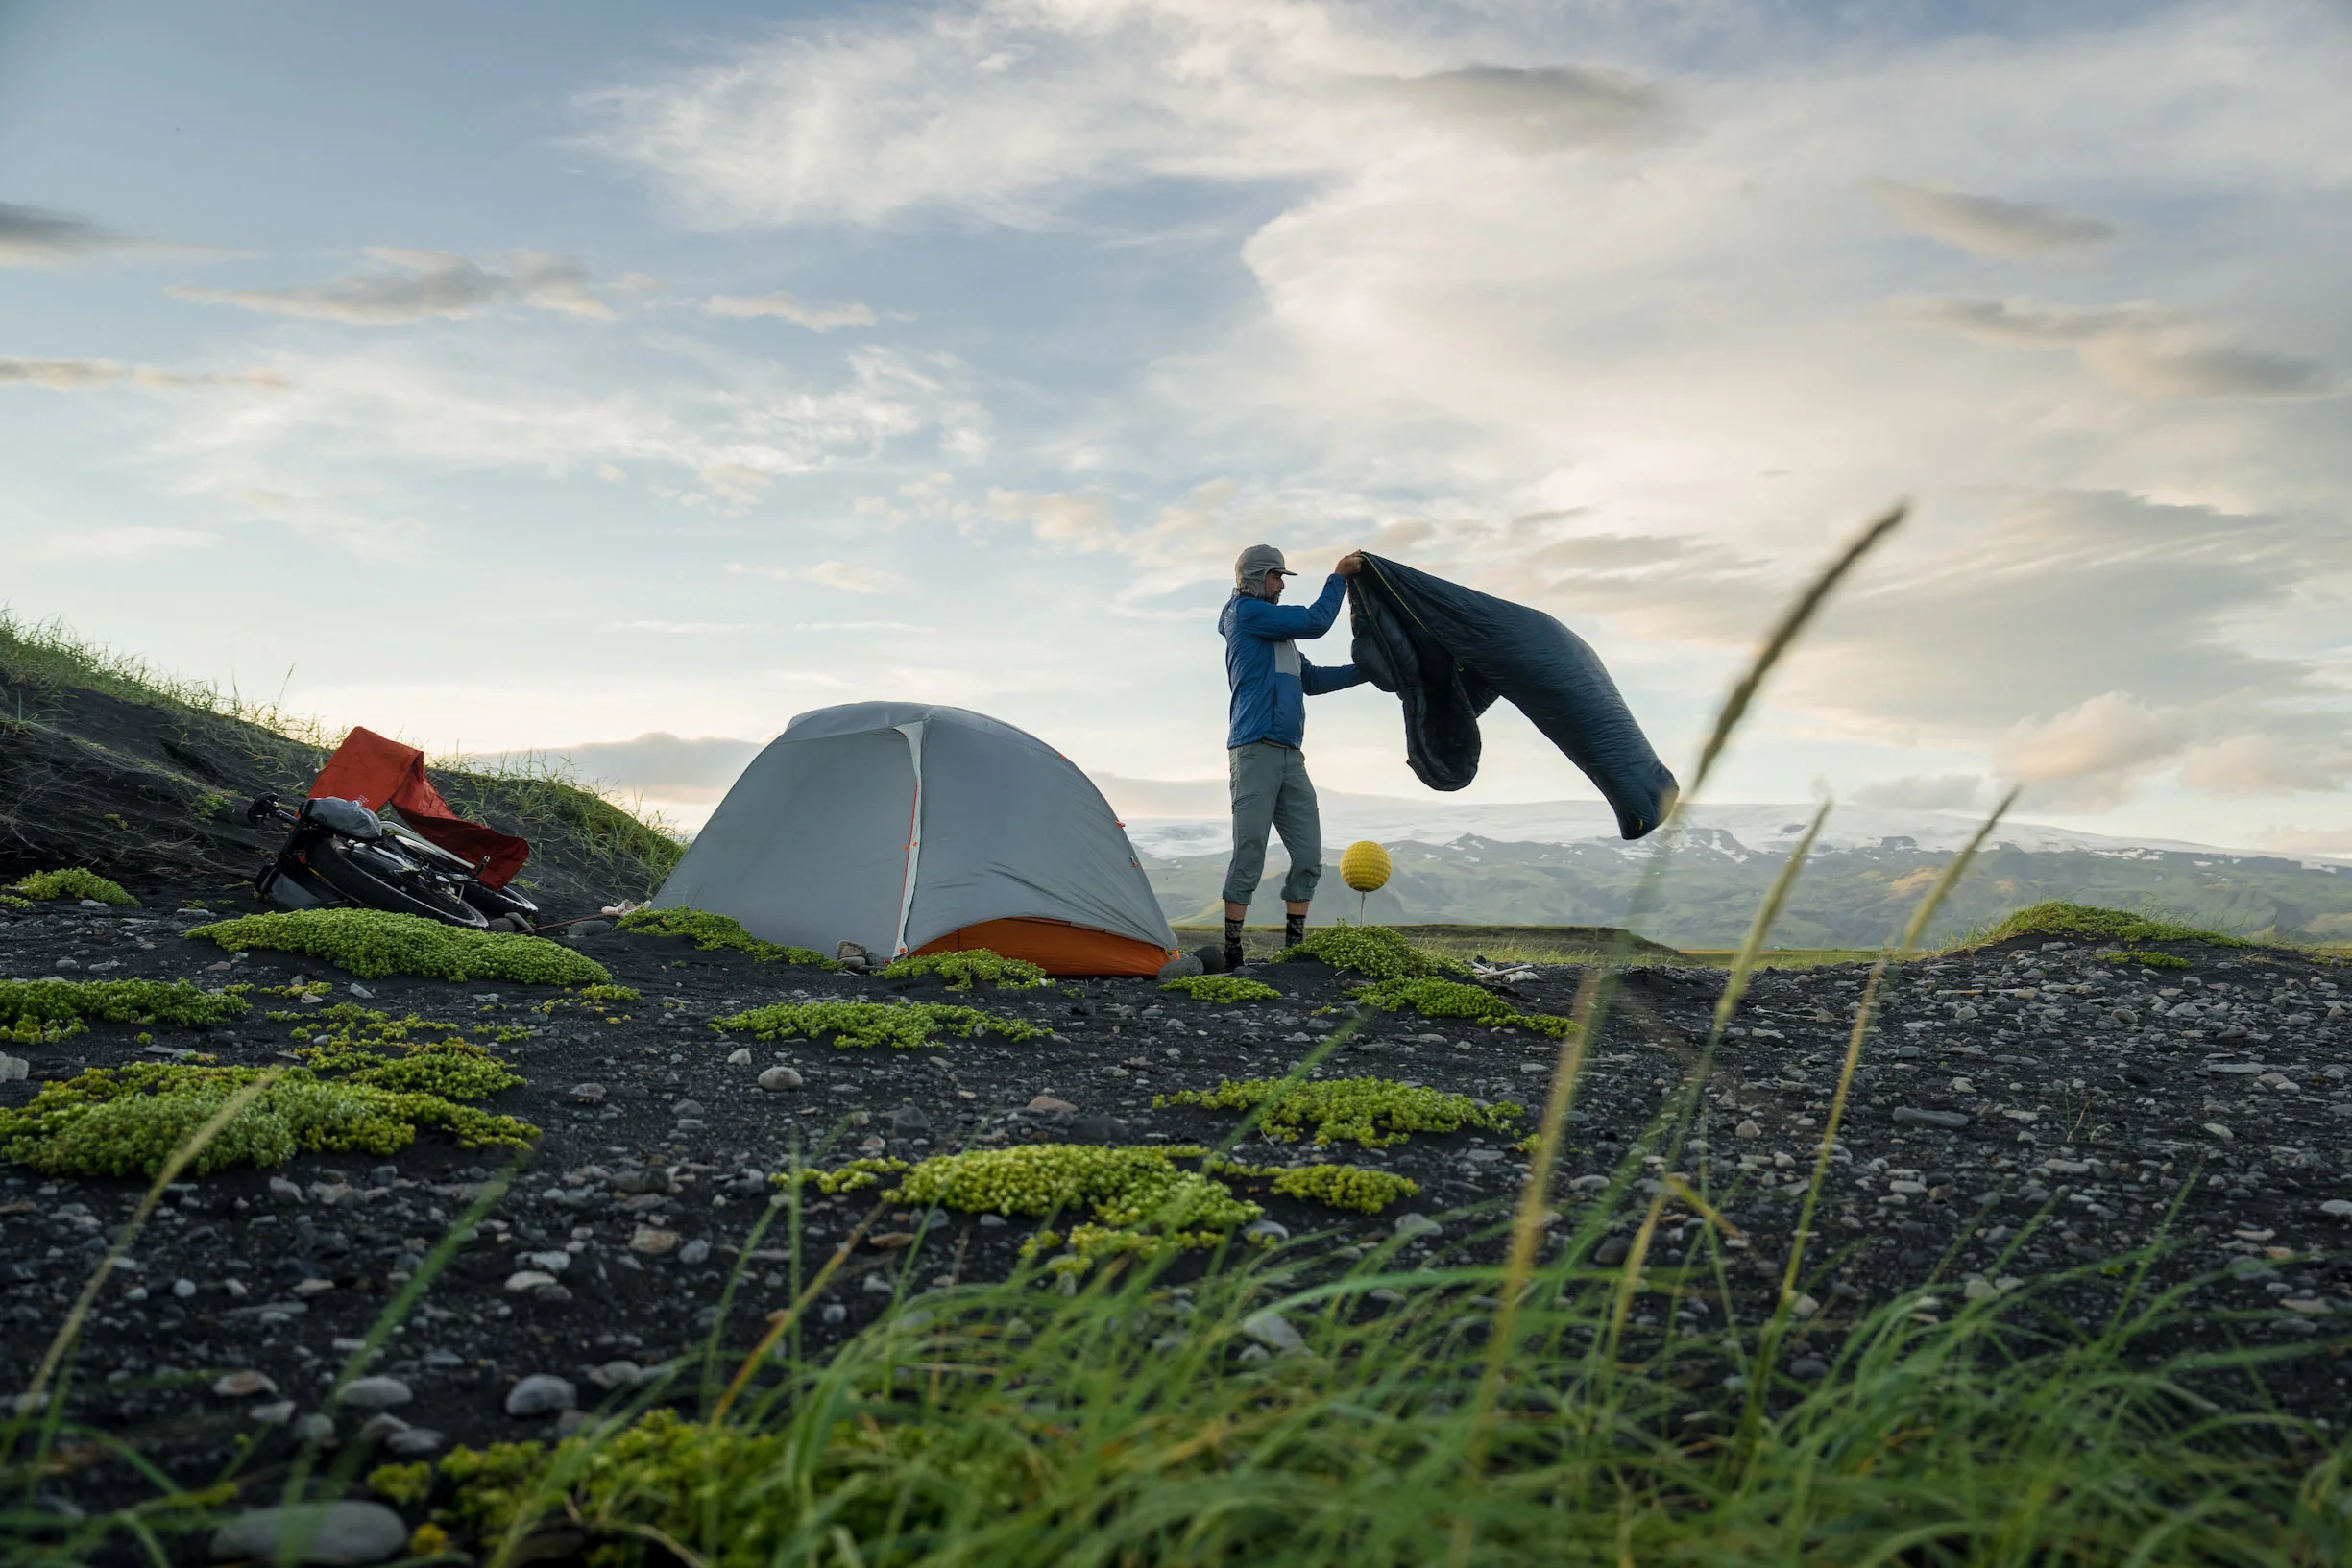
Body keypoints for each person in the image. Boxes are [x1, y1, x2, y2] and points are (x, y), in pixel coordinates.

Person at [1218, 543, 1366, 971]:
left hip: (1291, 755)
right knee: (1250, 851)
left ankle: (1295, 949)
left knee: (1308, 856)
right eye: (1277, 576)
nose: (1281, 585)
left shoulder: (1279, 638)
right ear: (1254, 579)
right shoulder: (1246, 614)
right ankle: (1232, 952)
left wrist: (1368, 672)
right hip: (1254, 750)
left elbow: (1313, 680)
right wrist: (1339, 577)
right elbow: (1317, 621)